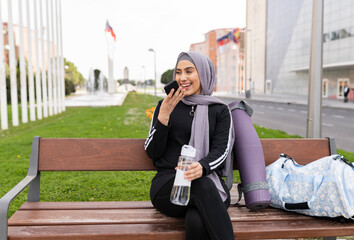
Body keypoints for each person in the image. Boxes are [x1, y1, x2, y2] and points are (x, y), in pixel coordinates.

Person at [145, 51, 235, 240]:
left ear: (203, 74)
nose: (182, 78)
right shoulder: (166, 105)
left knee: (196, 219)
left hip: (207, 182)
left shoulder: (219, 110)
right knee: (202, 187)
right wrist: (163, 117)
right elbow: (153, 152)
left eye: (189, 71)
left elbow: (222, 150)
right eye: (178, 72)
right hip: (168, 186)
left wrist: (202, 167)